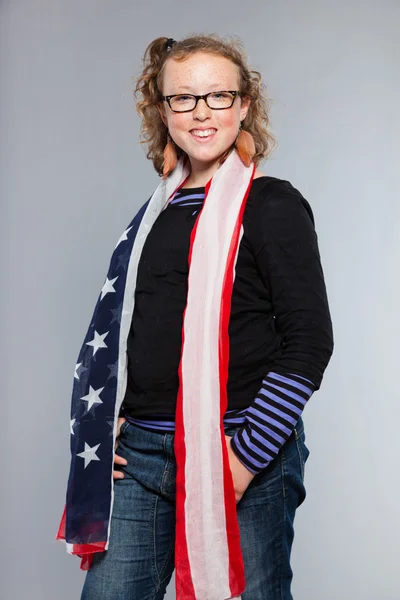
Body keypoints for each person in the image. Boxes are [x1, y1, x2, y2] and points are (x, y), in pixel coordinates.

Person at [58, 34, 334, 600]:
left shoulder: (272, 205)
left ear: (244, 105)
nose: (201, 112)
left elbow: (309, 341)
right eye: (183, 98)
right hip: (141, 456)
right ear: (163, 111)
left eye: (218, 95)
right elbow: (127, 329)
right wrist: (106, 421)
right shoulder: (154, 214)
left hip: (240, 446)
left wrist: (245, 457)